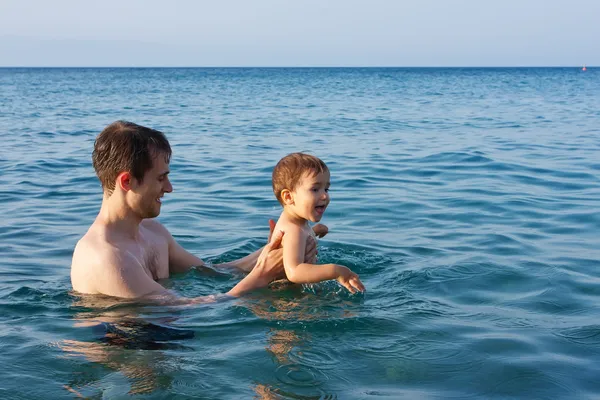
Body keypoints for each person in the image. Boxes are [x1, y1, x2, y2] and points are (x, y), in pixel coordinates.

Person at [70, 121, 320, 304]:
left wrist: (276, 251)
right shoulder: (107, 258)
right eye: (160, 178)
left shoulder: (154, 233)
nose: (169, 188)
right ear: (127, 182)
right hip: (127, 350)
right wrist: (261, 276)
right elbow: (187, 310)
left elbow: (212, 272)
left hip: (167, 341)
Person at [271, 153, 365, 293]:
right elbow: (294, 272)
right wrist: (336, 270)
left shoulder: (296, 222)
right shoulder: (294, 230)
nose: (324, 196)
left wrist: (314, 231)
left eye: (326, 189)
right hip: (287, 298)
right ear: (289, 196)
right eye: (315, 189)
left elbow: (297, 244)